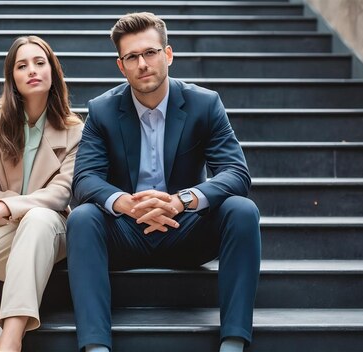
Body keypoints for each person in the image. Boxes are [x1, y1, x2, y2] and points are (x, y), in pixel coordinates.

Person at [66, 12, 261, 352]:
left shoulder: (204, 104)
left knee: (242, 211)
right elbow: (84, 179)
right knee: (82, 217)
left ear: (167, 54)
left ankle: (233, 341)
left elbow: (236, 172)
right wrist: (126, 203)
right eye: (132, 57)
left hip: (185, 229)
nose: (142, 63)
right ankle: (96, 346)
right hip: (125, 231)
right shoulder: (102, 110)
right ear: (121, 66)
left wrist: (180, 201)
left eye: (150, 53)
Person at [0, 35, 83, 352]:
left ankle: (10, 337)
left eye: (40, 62)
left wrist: (6, 204)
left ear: (53, 71)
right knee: (30, 229)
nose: (32, 70)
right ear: (12, 77)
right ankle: (9, 321)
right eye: (22, 66)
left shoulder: (75, 130)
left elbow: (60, 194)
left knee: (37, 221)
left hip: (51, 230)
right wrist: (7, 210)